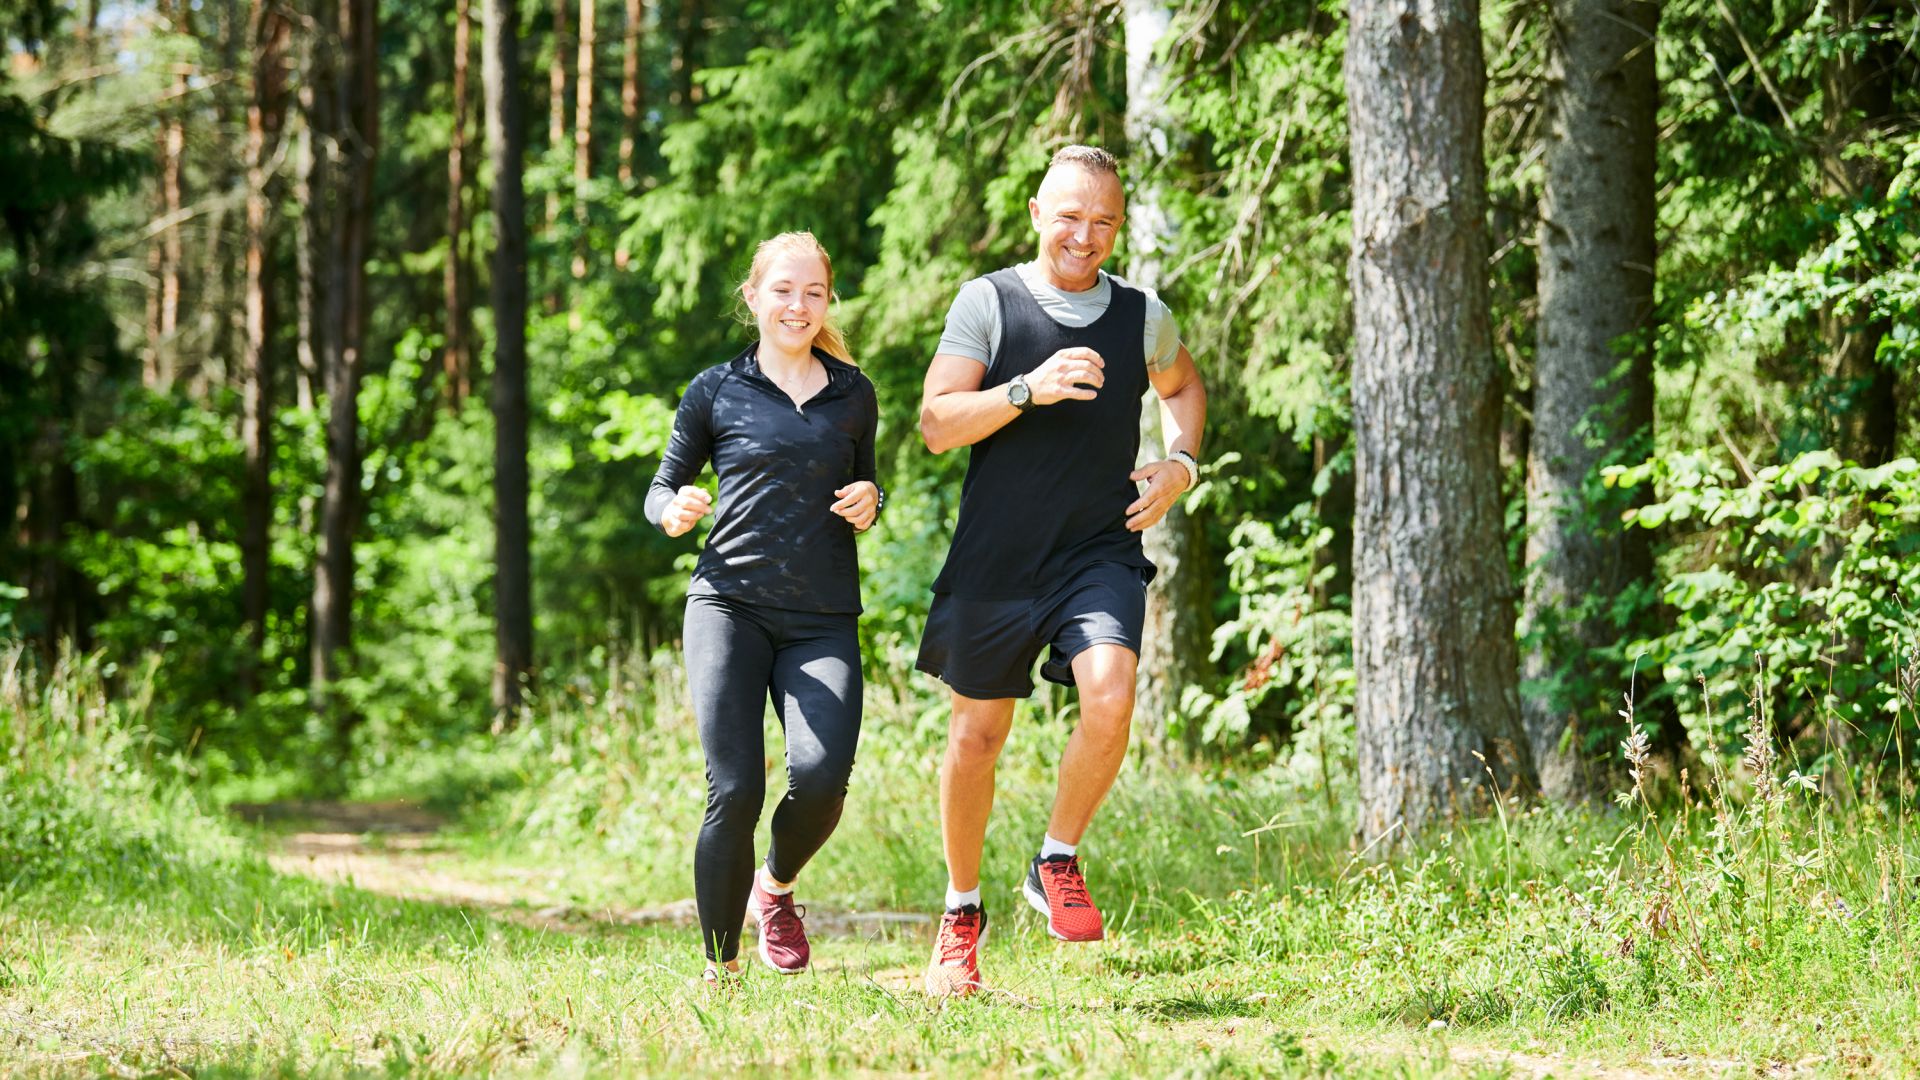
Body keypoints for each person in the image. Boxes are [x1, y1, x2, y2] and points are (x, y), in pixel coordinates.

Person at [915, 145, 1208, 996]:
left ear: (1119, 227)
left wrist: (1180, 465)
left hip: (1098, 549)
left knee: (1112, 694)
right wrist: (1026, 391)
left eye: (1104, 221)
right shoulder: (990, 302)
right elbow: (937, 423)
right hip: (997, 557)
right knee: (978, 738)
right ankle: (961, 912)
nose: (1086, 235)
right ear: (1038, 212)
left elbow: (1184, 388)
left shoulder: (1141, 313)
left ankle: (1056, 859)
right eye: (1070, 216)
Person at [646, 231, 882, 983]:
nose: (798, 305)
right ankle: (721, 970)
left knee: (821, 779)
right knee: (737, 786)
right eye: (783, 290)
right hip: (729, 607)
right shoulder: (716, 389)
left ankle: (774, 887)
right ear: (754, 297)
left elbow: (869, 483)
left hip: (821, 616)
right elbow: (662, 485)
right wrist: (672, 510)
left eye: (813, 292)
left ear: (828, 300)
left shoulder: (854, 393)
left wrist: (872, 499)